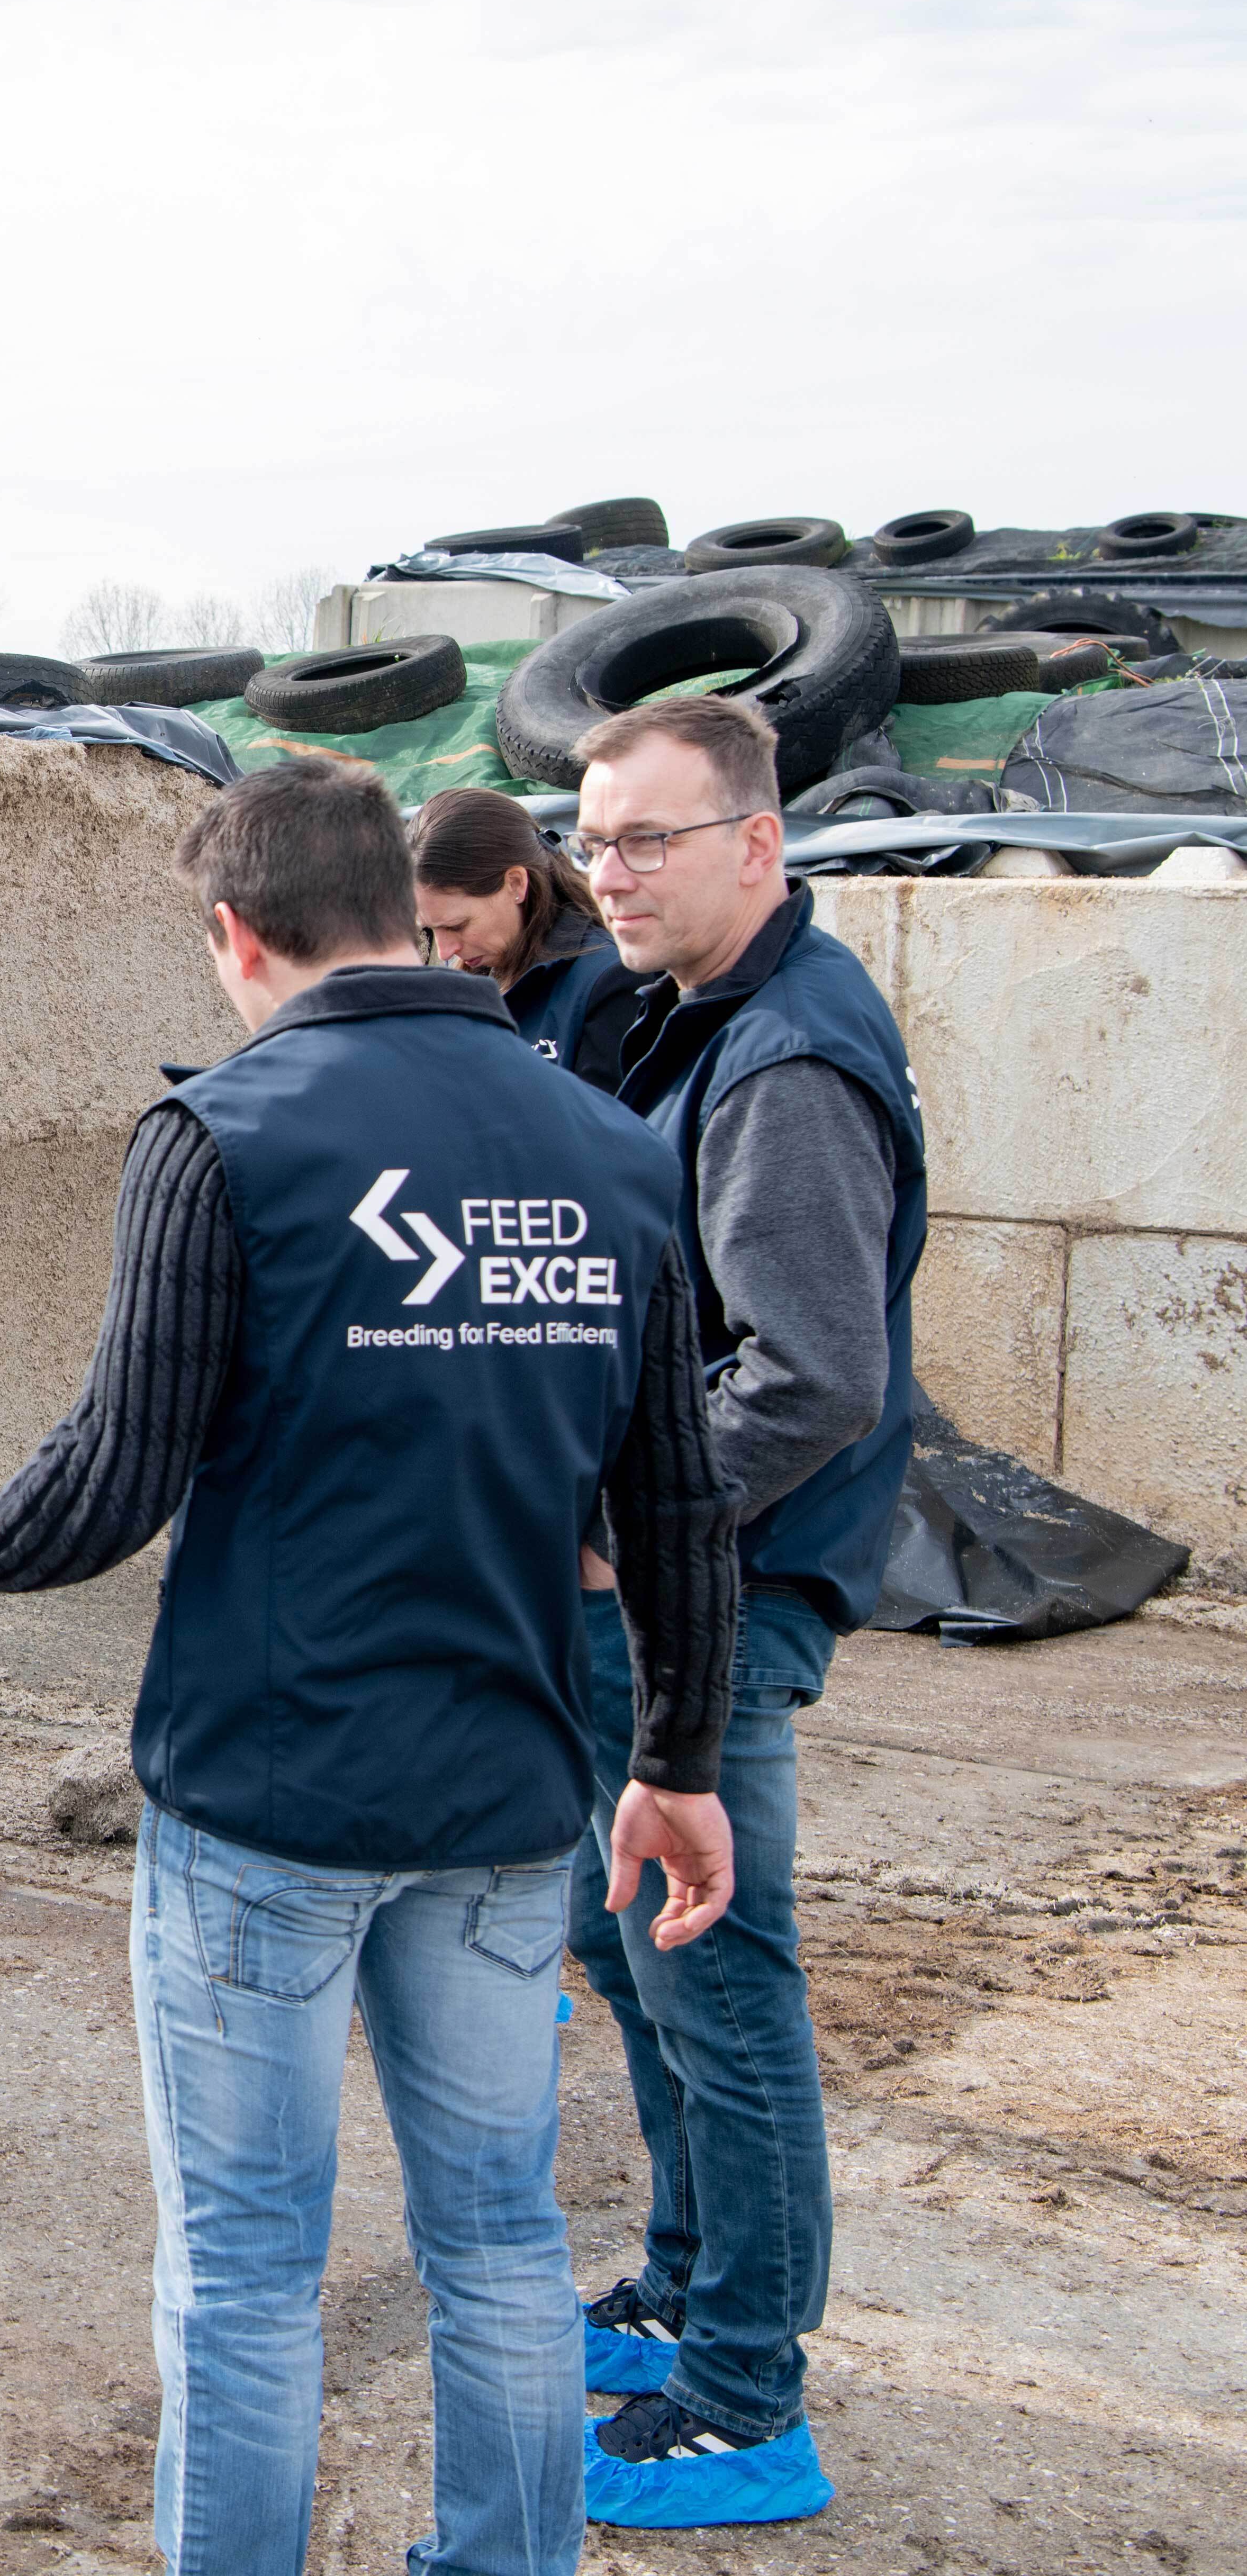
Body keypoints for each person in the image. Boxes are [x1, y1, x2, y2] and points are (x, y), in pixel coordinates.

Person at [0, 754, 743, 2575]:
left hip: (266, 1797)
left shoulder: (227, 1134)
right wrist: (676, 1757)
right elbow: (674, 1499)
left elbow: (115, 1471)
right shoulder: (604, 1148)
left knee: (244, 2262)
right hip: (501, 1791)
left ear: (234, 935)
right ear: (402, 911)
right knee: (493, 2237)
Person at [555, 692, 924, 2530]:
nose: (602, 871)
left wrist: (631, 1526)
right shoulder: (706, 1016)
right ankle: (679, 2285)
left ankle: (738, 2399)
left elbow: (808, 1376)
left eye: (644, 839)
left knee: (716, 1975)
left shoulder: (777, 1061)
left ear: (754, 844)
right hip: (694, 1577)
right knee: (624, 1939)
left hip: (726, 1593)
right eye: (589, 835)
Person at [411, 786, 634, 1077]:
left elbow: (605, 1118)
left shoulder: (609, 981)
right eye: (430, 930)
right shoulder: (471, 979)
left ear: (516, 884)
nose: (445, 951)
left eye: (457, 926)